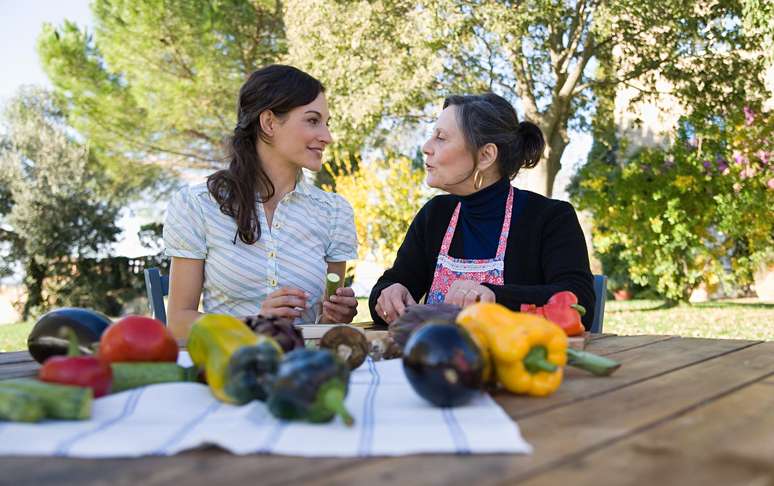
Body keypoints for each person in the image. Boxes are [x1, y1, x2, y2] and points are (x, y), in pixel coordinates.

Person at [163, 65, 359, 340]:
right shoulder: (197, 205)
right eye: (313, 121)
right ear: (268, 123)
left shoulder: (334, 212)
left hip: (301, 367)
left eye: (327, 123)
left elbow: (323, 323)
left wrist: (334, 316)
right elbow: (179, 321)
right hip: (229, 366)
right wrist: (254, 324)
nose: (327, 136)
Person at [369, 93, 595, 329]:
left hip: (514, 361)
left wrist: (494, 297)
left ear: (486, 155)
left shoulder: (551, 217)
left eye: (441, 138)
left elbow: (581, 304)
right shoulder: (435, 215)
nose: (426, 147)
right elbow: (390, 286)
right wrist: (388, 294)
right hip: (438, 359)